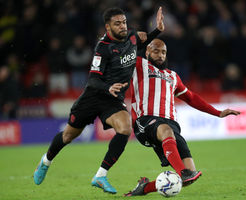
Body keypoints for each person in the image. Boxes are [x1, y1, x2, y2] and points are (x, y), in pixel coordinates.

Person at [33, 7, 165, 194]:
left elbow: (138, 46)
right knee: (68, 136)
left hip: (113, 100)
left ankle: (101, 176)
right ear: (108, 27)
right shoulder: (102, 48)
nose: (122, 26)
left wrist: (158, 30)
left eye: (124, 22)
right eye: (117, 23)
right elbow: (94, 79)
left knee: (125, 128)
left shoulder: (132, 37)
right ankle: (45, 161)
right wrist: (108, 87)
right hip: (93, 97)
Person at [124, 39, 240, 196]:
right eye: (156, 51)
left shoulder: (173, 76)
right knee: (167, 135)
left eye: (163, 52)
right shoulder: (139, 65)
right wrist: (139, 37)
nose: (160, 55)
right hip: (145, 121)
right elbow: (122, 50)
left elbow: (191, 98)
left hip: (171, 125)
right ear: (147, 52)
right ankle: (183, 172)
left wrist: (217, 112)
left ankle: (145, 187)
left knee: (189, 177)